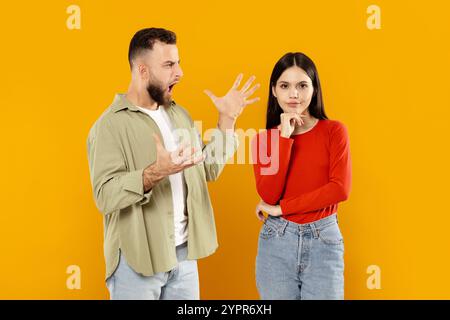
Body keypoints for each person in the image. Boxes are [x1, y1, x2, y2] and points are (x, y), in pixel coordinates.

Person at [87, 27, 260, 300]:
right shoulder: (109, 126)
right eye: (169, 65)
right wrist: (154, 173)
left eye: (178, 63)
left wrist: (227, 120)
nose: (179, 73)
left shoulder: (179, 115)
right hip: (137, 260)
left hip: (184, 256)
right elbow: (104, 196)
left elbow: (207, 170)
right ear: (142, 71)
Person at [252, 52, 352, 300]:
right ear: (274, 90)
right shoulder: (264, 140)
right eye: (285, 86)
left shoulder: (334, 131)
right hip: (276, 242)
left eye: (302, 85)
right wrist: (284, 138)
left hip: (324, 241)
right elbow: (268, 194)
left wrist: (283, 208)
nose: (293, 94)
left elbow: (339, 189)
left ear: (314, 88)